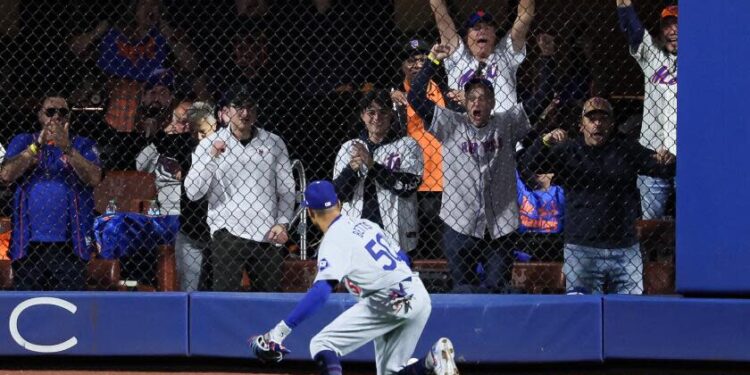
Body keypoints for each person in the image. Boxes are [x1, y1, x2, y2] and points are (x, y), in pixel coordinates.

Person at [248, 180, 458, 375]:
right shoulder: (366, 225)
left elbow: (321, 292)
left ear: (311, 213)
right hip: (417, 294)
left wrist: (280, 331)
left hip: (388, 298)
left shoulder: (333, 240)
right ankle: (433, 358)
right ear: (338, 203)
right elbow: (404, 258)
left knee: (322, 344)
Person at [407, 44, 531, 293]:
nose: (478, 102)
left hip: (500, 225)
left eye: (483, 98)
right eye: (472, 97)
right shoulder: (450, 123)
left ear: (493, 102)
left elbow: (539, 100)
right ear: (464, 101)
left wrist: (547, 60)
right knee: (462, 290)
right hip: (459, 223)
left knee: (498, 290)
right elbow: (416, 97)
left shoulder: (506, 123)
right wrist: (432, 61)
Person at [520, 97, 676, 294]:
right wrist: (545, 141)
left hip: (624, 247)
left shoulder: (626, 149)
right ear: (581, 125)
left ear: (612, 124)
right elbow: (530, 164)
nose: (598, 123)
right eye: (591, 119)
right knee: (582, 310)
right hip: (581, 247)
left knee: (630, 312)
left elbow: (660, 168)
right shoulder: (568, 150)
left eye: (603, 118)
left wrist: (668, 160)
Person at [184, 88, 294, 292]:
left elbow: (287, 189)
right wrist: (211, 157)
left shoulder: (273, 142)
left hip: (267, 232)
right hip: (227, 232)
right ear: (226, 112)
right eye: (239, 107)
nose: (245, 113)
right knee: (225, 301)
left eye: (250, 107)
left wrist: (283, 222)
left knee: (270, 301)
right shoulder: (208, 143)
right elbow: (193, 192)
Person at [0, 95, 102, 290]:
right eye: (50, 112)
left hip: (71, 245)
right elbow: (5, 175)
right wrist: (35, 147)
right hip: (28, 245)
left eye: (62, 112)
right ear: (40, 115)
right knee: (28, 303)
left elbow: (94, 178)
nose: (56, 117)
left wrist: (67, 148)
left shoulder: (82, 144)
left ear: (69, 116)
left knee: (69, 304)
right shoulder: (23, 141)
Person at [333, 90, 423, 257]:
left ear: (391, 115)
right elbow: (338, 194)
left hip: (395, 236)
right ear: (362, 116)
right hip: (357, 236)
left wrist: (371, 165)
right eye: (371, 112)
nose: (377, 118)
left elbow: (407, 187)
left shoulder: (407, 145)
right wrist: (351, 171)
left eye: (383, 112)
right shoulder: (349, 147)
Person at [616, 0, 677, 219]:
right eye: (668, 25)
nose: (673, 31)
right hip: (653, 155)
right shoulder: (653, 56)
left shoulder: (704, 63)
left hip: (691, 157)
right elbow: (631, 26)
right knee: (650, 223)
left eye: (679, 25)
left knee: (696, 221)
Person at [391, 39, 448, 259]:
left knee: (441, 253)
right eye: (411, 60)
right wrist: (389, 100)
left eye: (422, 60)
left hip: (443, 183)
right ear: (402, 65)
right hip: (409, 183)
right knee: (411, 251)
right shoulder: (395, 98)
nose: (416, 64)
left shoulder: (445, 91)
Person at [429, 0, 535, 114]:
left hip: (503, 126)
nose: (482, 31)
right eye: (476, 28)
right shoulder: (458, 57)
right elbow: (440, 14)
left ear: (494, 34)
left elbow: (525, 15)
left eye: (488, 27)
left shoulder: (505, 54)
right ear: (466, 37)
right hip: (465, 128)